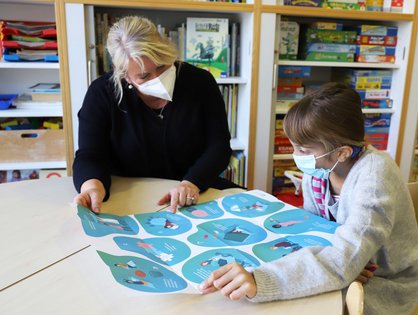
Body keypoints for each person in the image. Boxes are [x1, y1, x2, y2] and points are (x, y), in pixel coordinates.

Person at [199, 82, 418, 315]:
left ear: (342, 152)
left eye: (303, 150)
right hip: (350, 263)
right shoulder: (319, 170)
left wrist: (260, 281)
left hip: (384, 281)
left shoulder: (375, 177)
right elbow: (314, 233)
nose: (296, 156)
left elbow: (344, 259)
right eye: (294, 148)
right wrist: (345, 260)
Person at [73, 16, 236, 213]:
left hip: (193, 191)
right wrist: (92, 187)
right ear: (124, 75)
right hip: (127, 197)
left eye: (161, 66)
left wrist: (191, 183)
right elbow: (90, 153)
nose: (158, 79)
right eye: (144, 76)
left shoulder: (200, 82)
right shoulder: (102, 93)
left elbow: (218, 147)